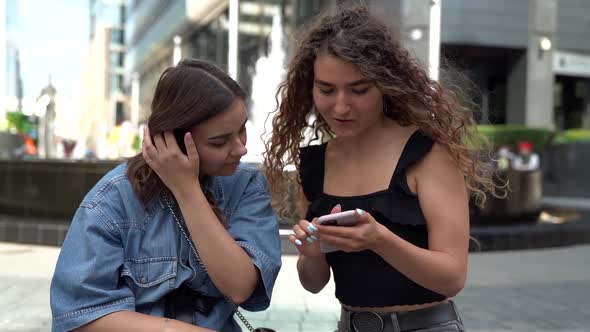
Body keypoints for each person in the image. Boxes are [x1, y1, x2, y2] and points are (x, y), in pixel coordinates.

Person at [264, 5, 497, 332]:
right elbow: (313, 284)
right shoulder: (313, 164)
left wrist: (380, 239)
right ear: (309, 87)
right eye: (326, 90)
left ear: (386, 85)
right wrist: (312, 255)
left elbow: (452, 277)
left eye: (359, 90)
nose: (341, 106)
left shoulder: (426, 153)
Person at [50, 59, 282, 332]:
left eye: (242, 129)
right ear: (172, 140)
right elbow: (80, 315)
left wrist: (188, 192)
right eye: (219, 142)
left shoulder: (245, 185)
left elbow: (240, 287)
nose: (241, 148)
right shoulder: (111, 201)